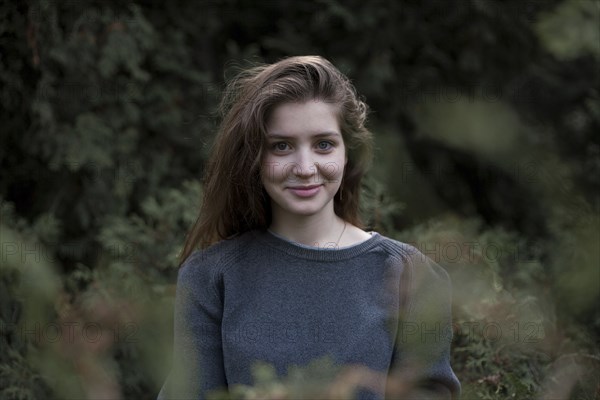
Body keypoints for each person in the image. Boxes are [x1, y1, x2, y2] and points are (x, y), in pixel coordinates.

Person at [157, 55, 460, 399]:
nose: (304, 167)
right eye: (281, 146)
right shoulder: (211, 277)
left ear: (349, 152)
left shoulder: (410, 275)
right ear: (254, 157)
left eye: (323, 144)